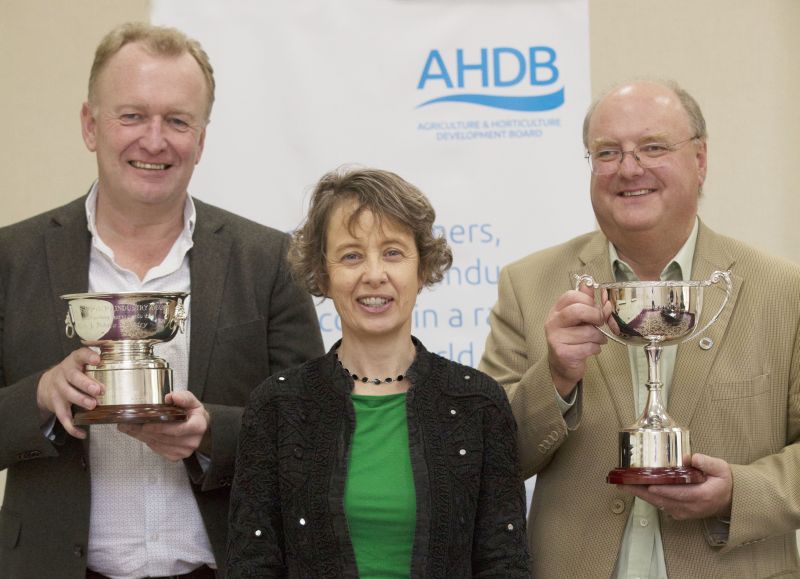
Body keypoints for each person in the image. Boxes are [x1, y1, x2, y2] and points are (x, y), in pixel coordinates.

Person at [0, 23, 323, 578]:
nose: (154, 140)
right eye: (132, 115)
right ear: (90, 125)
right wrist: (40, 395)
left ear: (201, 138)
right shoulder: (11, 257)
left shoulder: (268, 259)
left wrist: (210, 436)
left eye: (177, 120)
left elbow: (316, 428)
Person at [479, 79, 800, 578]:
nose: (629, 169)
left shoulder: (783, 291)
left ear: (701, 159)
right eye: (607, 152)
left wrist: (740, 492)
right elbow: (487, 459)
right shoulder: (528, 285)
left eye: (653, 147)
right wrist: (557, 377)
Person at [227, 167, 530, 577]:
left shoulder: (477, 402)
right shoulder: (278, 406)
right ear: (323, 274)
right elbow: (253, 565)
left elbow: (503, 564)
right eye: (351, 255)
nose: (374, 274)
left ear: (422, 269)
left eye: (392, 252)